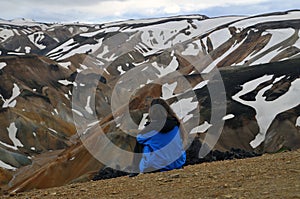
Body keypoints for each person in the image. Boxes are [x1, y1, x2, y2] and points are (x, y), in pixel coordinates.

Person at [129, 98, 186, 176]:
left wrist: (148, 127)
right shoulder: (176, 125)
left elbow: (139, 138)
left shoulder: (151, 130)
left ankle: (135, 170)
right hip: (177, 163)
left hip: (157, 166)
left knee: (143, 144)